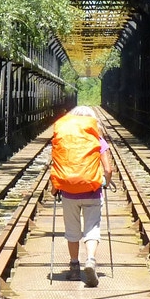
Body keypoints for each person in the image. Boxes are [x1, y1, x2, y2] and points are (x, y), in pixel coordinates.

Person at [50, 105, 113, 287]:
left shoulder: (63, 139)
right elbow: (108, 169)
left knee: (72, 231)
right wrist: (105, 183)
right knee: (92, 228)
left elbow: (56, 165)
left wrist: (55, 188)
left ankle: (74, 267)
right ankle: (91, 260)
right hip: (92, 190)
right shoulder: (97, 139)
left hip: (69, 193)